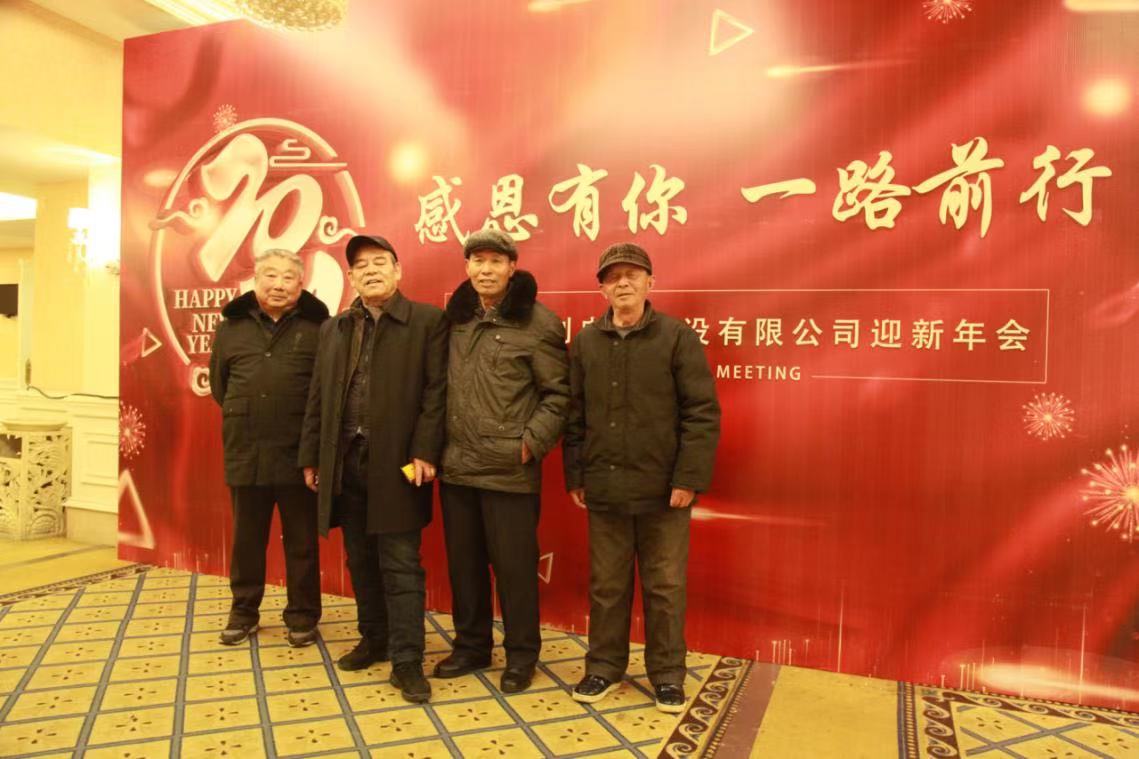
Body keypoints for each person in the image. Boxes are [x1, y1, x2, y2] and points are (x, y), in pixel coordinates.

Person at [563, 242, 721, 713]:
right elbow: (574, 416)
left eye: (632, 274)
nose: (623, 283)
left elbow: (701, 413)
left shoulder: (677, 337)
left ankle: (668, 675)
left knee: (665, 587)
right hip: (605, 487)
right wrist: (576, 474)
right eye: (613, 277)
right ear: (602, 289)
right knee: (607, 587)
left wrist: (688, 478)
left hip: (664, 491)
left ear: (651, 282)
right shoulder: (586, 343)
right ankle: (603, 667)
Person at [298, 234, 448, 704]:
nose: (370, 271)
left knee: (400, 564)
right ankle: (374, 637)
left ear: (398, 271)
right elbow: (318, 396)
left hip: (400, 464)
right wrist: (312, 456)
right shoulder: (335, 328)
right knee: (359, 557)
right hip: (345, 461)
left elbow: (437, 393)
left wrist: (425, 451)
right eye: (361, 266)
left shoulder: (427, 321)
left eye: (380, 262)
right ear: (351, 278)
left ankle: (407, 661)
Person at [435, 228, 570, 694]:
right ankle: (472, 646)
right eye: (478, 261)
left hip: (510, 469)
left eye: (496, 261)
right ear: (467, 267)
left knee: (515, 573)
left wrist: (529, 444)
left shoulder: (539, 323)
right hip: (457, 467)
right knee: (465, 567)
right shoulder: (454, 320)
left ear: (512, 267)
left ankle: (521, 655)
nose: (486, 270)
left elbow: (559, 395)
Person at [209, 248, 328, 648]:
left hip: (299, 456)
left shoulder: (320, 327)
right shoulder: (231, 327)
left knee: (302, 542)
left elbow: (323, 393)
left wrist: (313, 453)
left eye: (288, 277)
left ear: (301, 283)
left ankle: (303, 616)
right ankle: (243, 613)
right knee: (246, 541)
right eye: (270, 276)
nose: (278, 284)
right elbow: (220, 386)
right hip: (246, 450)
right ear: (255, 280)